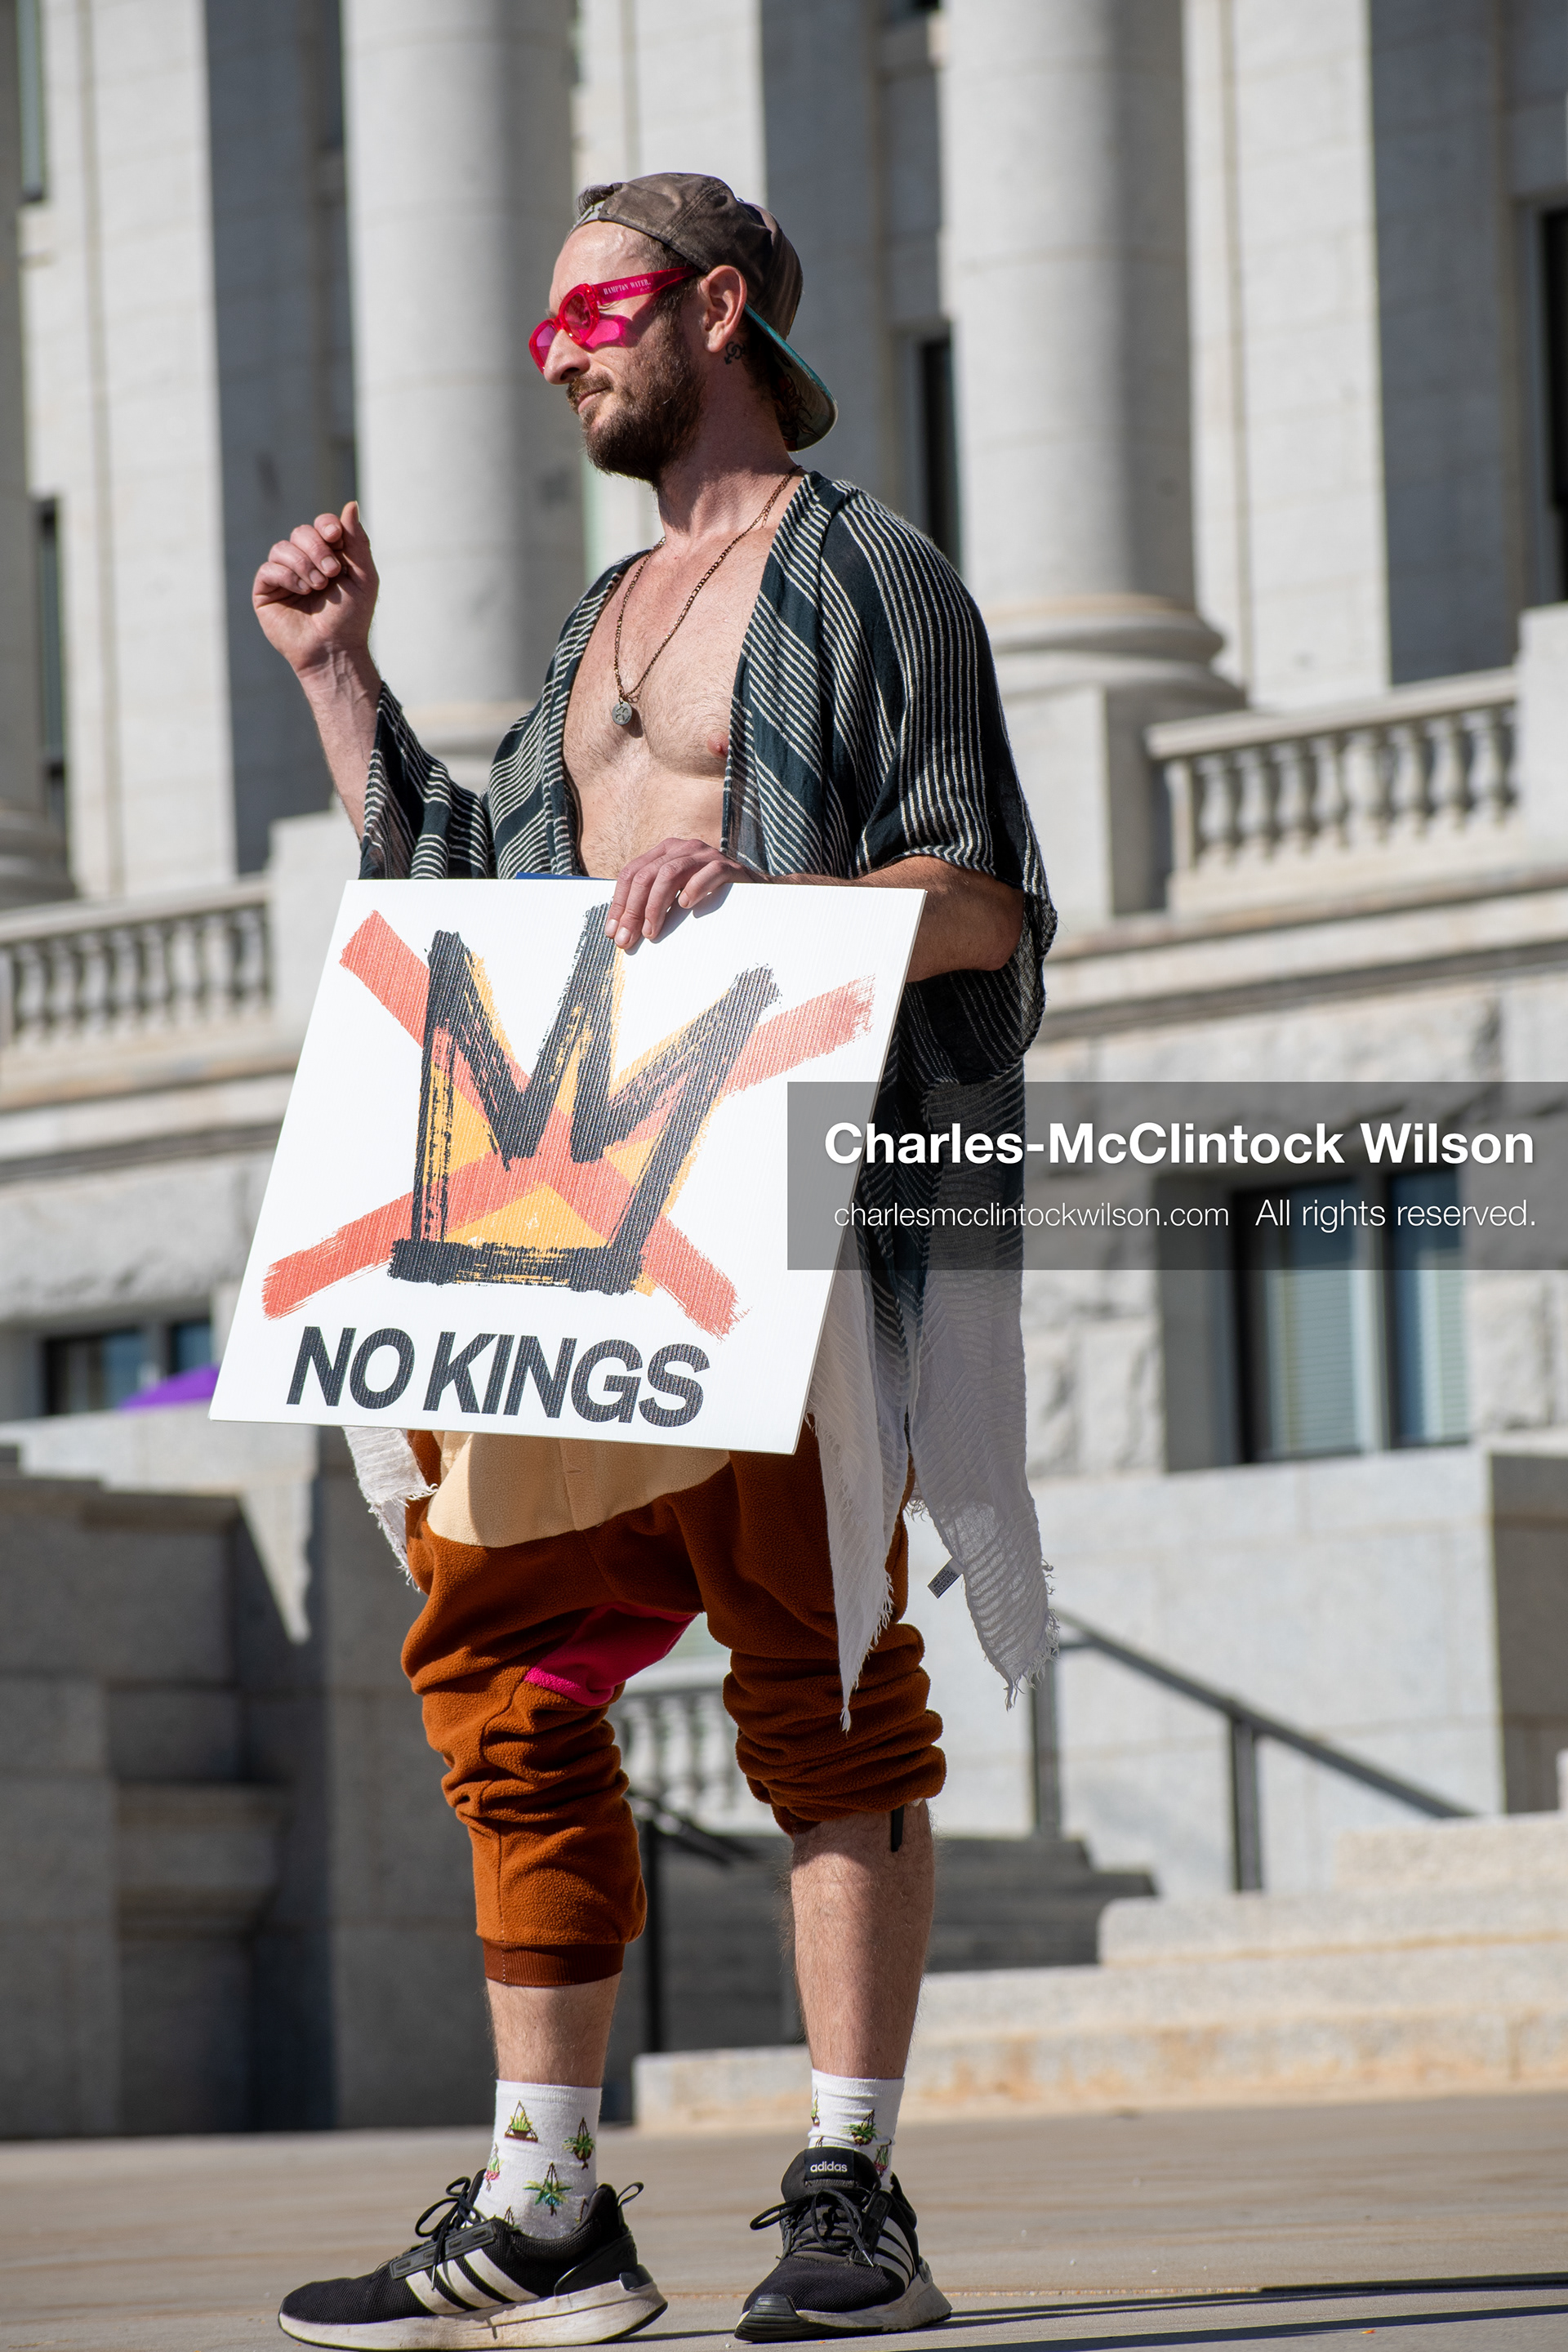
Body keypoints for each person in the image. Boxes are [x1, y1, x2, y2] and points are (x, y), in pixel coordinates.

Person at [255, 174, 1054, 2350]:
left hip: (772, 1215)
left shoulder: (870, 575)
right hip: (561, 1220)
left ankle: (850, 2190)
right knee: (504, 1681)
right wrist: (338, 682)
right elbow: (466, 903)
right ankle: (545, 2213)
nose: (561, 353)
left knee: (820, 1693)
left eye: (592, 309)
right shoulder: (600, 619)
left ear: (716, 305)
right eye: (543, 330)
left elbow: (984, 902)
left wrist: (785, 904)